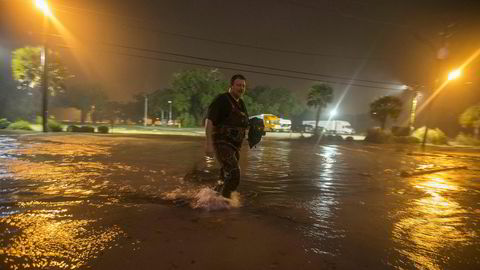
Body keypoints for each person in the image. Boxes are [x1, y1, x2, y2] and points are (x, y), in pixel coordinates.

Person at [205, 74, 249, 198]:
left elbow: (243, 123)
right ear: (231, 86)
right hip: (222, 143)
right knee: (234, 173)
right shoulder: (222, 100)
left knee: (225, 176)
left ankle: (211, 199)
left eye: (243, 86)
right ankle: (225, 202)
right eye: (238, 85)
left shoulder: (241, 103)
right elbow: (209, 121)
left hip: (235, 147)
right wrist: (208, 144)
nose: (241, 88)